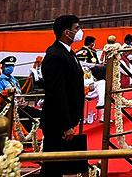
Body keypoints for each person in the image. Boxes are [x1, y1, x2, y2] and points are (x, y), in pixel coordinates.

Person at [40, 14, 87, 177]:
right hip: (57, 122)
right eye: (77, 28)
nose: (80, 32)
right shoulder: (55, 56)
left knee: (61, 165)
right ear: (67, 33)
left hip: (67, 119)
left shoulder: (68, 53)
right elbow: (56, 93)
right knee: (52, 166)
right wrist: (66, 124)